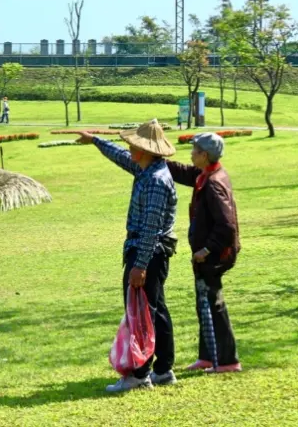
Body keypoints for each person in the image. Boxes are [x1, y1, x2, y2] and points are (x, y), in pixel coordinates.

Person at [77, 119, 179, 392]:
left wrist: (140, 265)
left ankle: (139, 374)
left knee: (140, 313)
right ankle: (163, 369)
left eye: (133, 145)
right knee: (156, 310)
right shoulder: (146, 168)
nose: (129, 148)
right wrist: (95, 141)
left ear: (145, 149)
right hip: (150, 252)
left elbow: (150, 228)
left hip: (148, 252)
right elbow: (121, 157)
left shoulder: (156, 181)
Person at [166, 133, 241, 374]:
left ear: (205, 155)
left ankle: (228, 360)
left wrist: (206, 250)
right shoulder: (205, 175)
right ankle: (208, 357)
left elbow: (226, 226)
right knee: (204, 303)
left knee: (214, 304)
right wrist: (156, 159)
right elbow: (184, 172)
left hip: (213, 256)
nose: (191, 154)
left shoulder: (213, 183)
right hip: (205, 255)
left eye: (195, 150)